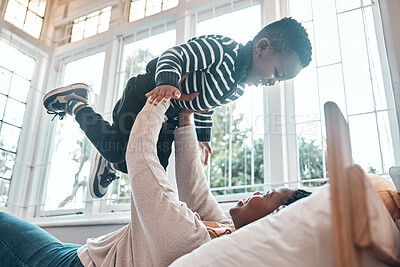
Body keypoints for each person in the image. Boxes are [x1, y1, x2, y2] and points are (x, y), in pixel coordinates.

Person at [0, 101, 312, 266]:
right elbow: (194, 186)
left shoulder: (187, 239)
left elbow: (138, 155)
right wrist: (186, 118)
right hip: (92, 255)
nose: (257, 192)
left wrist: (160, 99)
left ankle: (81, 111)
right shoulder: (223, 234)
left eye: (268, 194)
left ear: (276, 215)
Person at [43, 17, 312, 198]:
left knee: (150, 169)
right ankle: (77, 103)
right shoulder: (223, 50)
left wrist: (204, 137)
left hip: (168, 118)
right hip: (146, 94)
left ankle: (110, 165)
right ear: (262, 47)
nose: (272, 82)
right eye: (276, 72)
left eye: (280, 80)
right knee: (118, 147)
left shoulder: (238, 87)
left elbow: (205, 106)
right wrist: (169, 83)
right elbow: (176, 55)